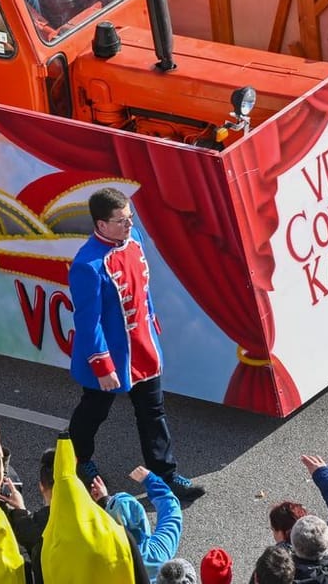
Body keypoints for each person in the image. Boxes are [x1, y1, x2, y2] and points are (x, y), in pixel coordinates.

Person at [67, 189, 204, 504]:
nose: (128, 225)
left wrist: (151, 321)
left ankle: (166, 474)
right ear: (101, 224)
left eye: (129, 218)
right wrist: (102, 365)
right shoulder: (88, 265)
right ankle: (77, 457)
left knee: (153, 412)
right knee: (94, 411)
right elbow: (89, 322)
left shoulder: (135, 239)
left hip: (141, 345)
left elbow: (142, 290)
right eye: (120, 221)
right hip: (111, 355)